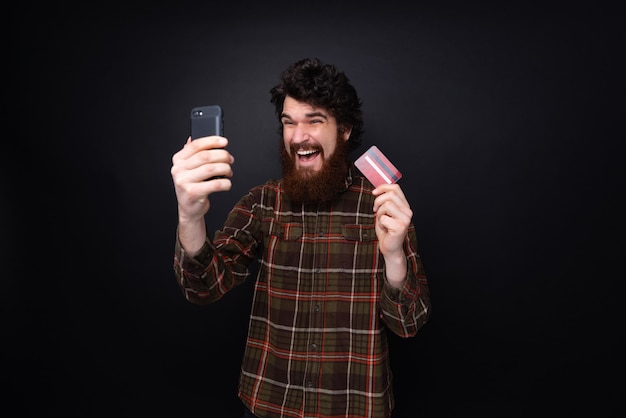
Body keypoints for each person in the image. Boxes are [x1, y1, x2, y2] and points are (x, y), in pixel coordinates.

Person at [170, 57, 431, 418]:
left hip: (354, 408)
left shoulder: (384, 207)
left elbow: (408, 324)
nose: (297, 136)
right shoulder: (264, 201)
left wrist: (394, 258)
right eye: (289, 122)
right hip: (269, 404)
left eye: (314, 121)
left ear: (344, 130)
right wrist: (190, 215)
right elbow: (203, 287)